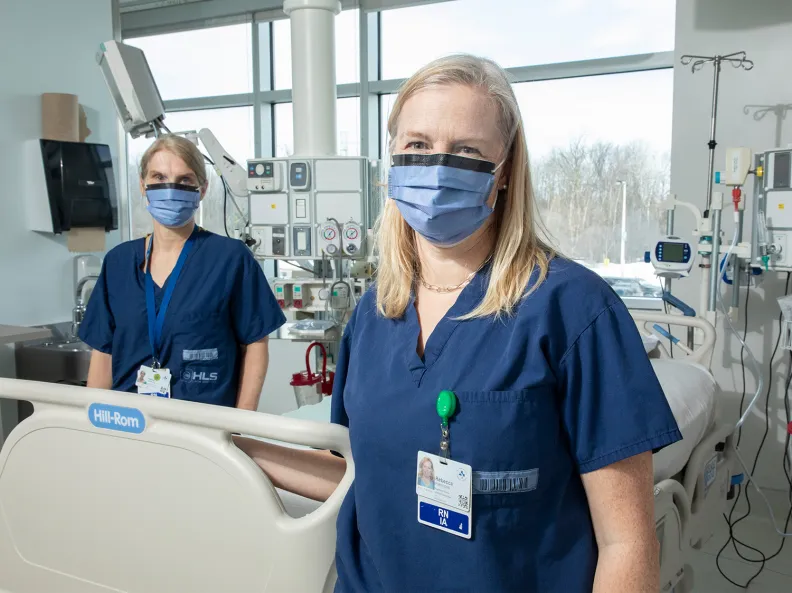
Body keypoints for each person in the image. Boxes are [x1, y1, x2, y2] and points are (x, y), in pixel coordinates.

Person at [237, 54, 681, 592]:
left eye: (467, 151)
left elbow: (628, 542)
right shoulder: (375, 315)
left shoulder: (575, 310)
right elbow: (369, 476)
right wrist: (231, 448)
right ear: (393, 162)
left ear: (504, 172)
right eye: (418, 146)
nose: (437, 168)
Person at [79, 134, 286, 410]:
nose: (170, 188)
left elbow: (256, 344)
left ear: (202, 189)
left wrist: (240, 425)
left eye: (184, 180)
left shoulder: (230, 259)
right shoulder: (119, 262)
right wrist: (94, 424)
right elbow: (103, 352)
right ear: (143, 185)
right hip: (129, 423)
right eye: (159, 177)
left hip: (204, 426)